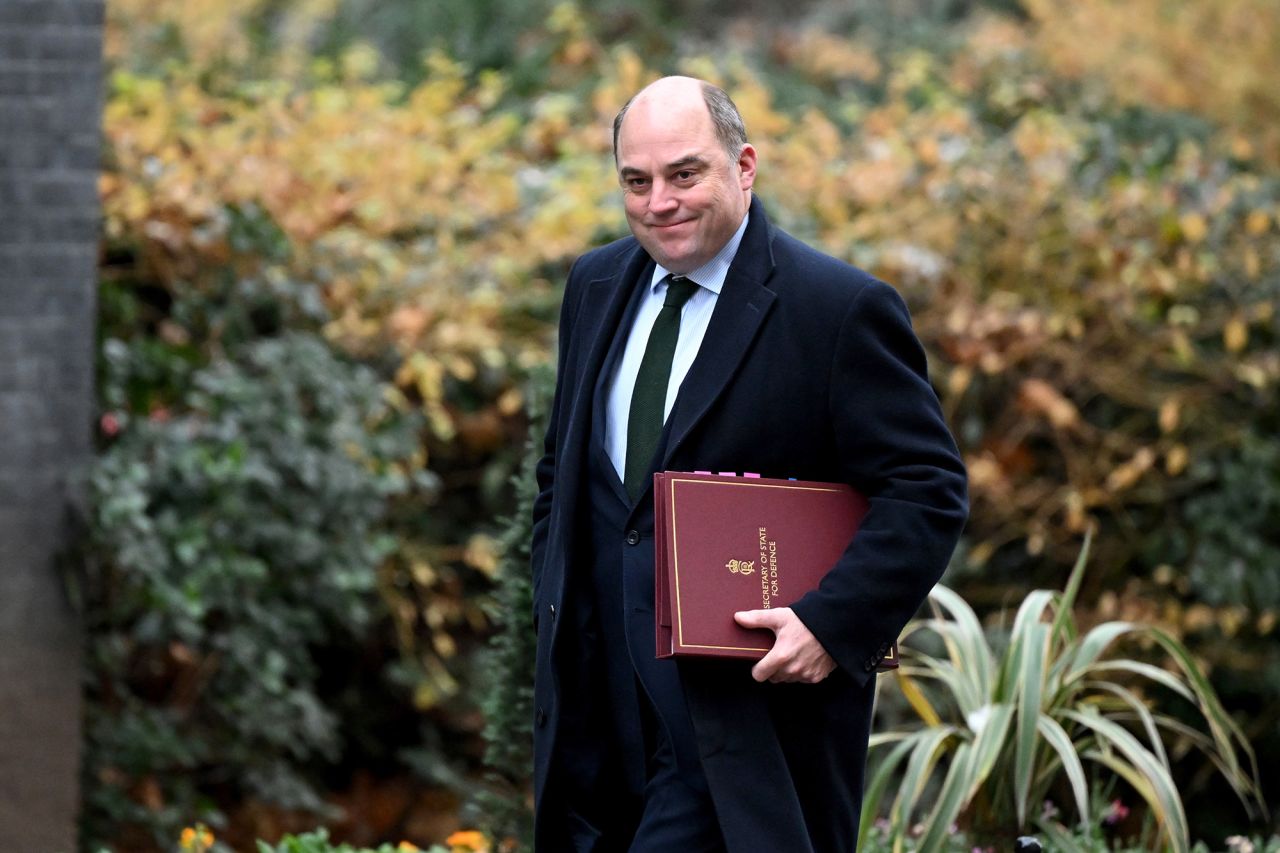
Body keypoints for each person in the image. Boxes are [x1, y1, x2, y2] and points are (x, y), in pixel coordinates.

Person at [529, 75, 968, 852]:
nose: (659, 201)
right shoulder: (593, 284)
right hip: (594, 719)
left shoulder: (837, 308)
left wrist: (832, 625)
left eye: (684, 174)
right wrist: (550, 596)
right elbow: (561, 474)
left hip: (742, 730)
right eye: (637, 181)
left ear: (745, 166)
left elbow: (926, 491)